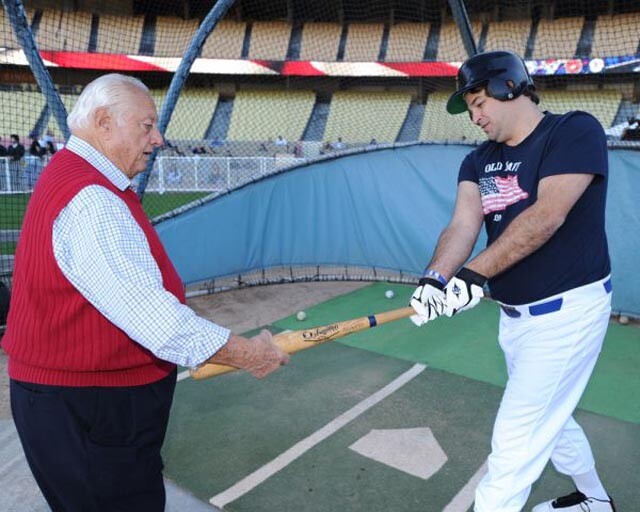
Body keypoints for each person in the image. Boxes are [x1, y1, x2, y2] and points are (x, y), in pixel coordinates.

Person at [2, 73, 289, 511]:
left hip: (79, 404)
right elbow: (156, 321)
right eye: (146, 125)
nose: (157, 138)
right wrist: (249, 353)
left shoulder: (78, 175)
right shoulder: (92, 198)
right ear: (103, 122)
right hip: (90, 410)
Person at [409, 51, 614, 512]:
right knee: (553, 419)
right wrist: (435, 279)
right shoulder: (478, 159)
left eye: (479, 102)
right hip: (515, 320)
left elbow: (546, 216)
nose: (475, 116)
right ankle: (594, 500)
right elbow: (463, 224)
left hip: (568, 313)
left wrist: (473, 276)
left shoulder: (573, 131)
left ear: (509, 88)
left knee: (515, 444)